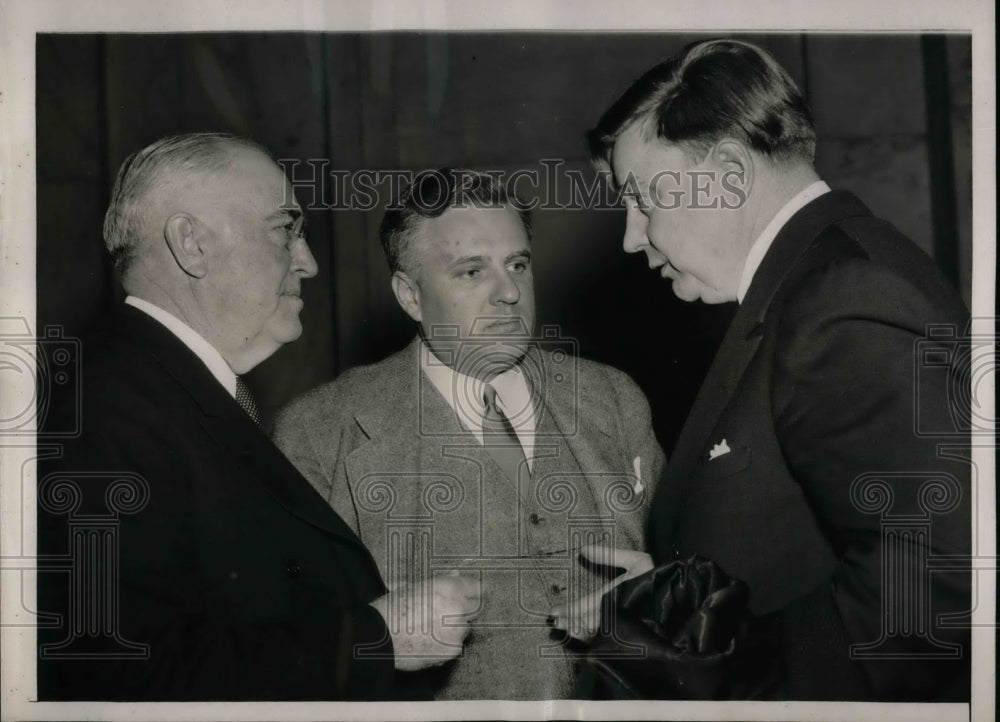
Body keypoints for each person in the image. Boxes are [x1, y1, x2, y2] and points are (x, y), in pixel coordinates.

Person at [554, 39, 971, 701]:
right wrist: (677, 602)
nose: (633, 237)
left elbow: (933, 588)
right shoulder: (817, 282)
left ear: (726, 173)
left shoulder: (841, 300)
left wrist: (726, 677)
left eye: (641, 200)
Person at [36, 133, 479, 701]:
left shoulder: (167, 388)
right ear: (190, 244)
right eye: (285, 229)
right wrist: (378, 637)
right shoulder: (101, 408)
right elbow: (114, 679)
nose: (310, 262)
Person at [273, 168, 665, 699]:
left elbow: (689, 588)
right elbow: (297, 653)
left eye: (518, 264)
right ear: (410, 296)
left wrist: (652, 599)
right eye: (471, 272)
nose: (508, 293)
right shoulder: (322, 433)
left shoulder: (613, 400)